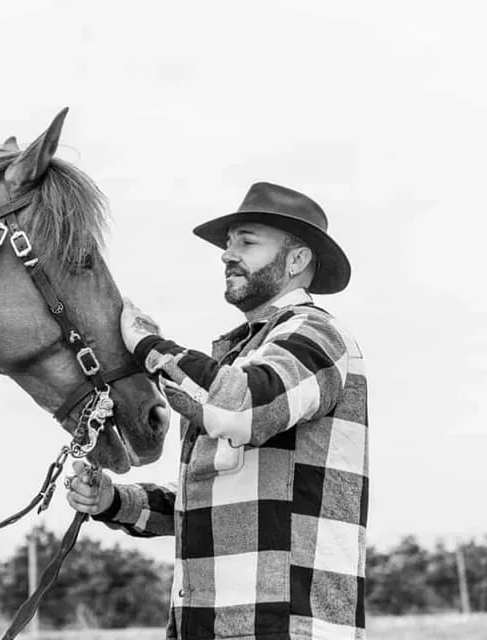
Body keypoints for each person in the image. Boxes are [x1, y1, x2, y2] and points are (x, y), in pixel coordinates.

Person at [66, 182, 369, 640]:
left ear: (296, 261)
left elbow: (243, 407)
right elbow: (203, 504)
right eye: (228, 245)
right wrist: (114, 502)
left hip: (285, 627)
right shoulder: (238, 358)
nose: (228, 255)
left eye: (246, 242)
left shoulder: (318, 336)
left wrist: (148, 345)